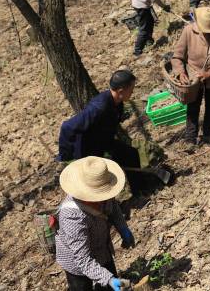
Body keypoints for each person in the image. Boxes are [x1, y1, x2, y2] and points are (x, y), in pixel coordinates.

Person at [56, 156, 135, 291]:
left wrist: (123, 229)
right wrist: (109, 280)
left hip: (101, 249)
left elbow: (113, 208)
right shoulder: (72, 217)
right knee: (82, 287)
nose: (105, 198)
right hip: (76, 262)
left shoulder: (104, 193)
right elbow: (83, 260)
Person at [57, 71, 145, 192]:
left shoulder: (117, 103)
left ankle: (140, 190)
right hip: (86, 150)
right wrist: (65, 157)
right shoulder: (99, 107)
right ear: (120, 91)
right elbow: (68, 127)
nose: (132, 92)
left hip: (103, 142)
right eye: (131, 89)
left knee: (131, 154)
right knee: (96, 180)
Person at [172, 7, 210, 146]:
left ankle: (208, 134)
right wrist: (181, 72)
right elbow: (177, 57)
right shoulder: (189, 31)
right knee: (193, 108)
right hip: (193, 77)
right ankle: (190, 138)